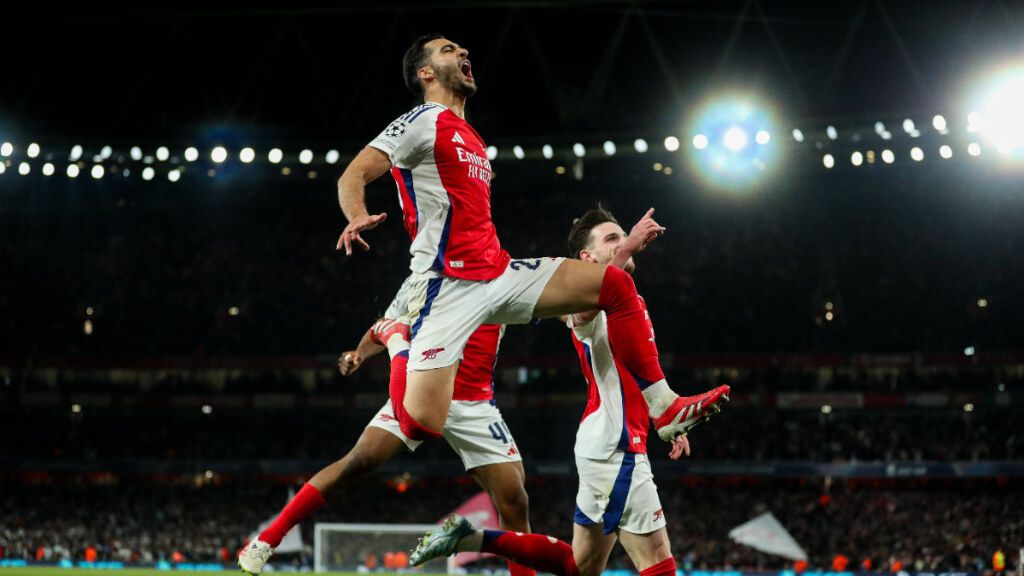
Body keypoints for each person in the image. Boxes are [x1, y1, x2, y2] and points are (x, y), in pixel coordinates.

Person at [335, 34, 727, 463]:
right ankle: (395, 338)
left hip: (498, 273)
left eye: (463, 48)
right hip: (447, 286)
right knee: (420, 425)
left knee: (614, 285)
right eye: (449, 50)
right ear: (425, 73)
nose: (464, 51)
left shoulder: (472, 138)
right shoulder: (421, 120)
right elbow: (353, 174)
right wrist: (356, 214)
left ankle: (665, 407)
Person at [406, 207, 728, 576]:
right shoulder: (589, 300)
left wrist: (664, 419)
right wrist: (627, 251)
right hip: (614, 446)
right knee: (658, 561)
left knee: (580, 566)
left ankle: (472, 538)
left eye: (622, 237)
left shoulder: (625, 305)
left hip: (607, 440)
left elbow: (632, 375)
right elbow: (578, 319)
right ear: (586, 259)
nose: (622, 243)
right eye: (612, 239)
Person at [238, 280, 533, 576]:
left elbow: (553, 294)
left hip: (473, 403)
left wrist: (575, 308)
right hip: (420, 390)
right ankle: (266, 540)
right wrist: (359, 354)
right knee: (358, 461)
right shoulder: (420, 280)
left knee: (514, 501)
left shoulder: (501, 276)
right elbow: (385, 323)